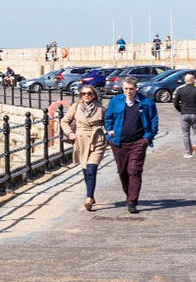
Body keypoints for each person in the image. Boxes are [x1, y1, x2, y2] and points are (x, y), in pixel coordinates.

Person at [103, 77, 158, 214]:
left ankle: (132, 201)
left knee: (134, 171)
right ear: (123, 88)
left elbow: (153, 122)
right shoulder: (116, 101)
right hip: (119, 142)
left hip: (138, 142)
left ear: (136, 88)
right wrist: (109, 132)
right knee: (122, 171)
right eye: (126, 89)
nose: (128, 92)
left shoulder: (146, 103)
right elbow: (108, 117)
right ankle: (129, 194)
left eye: (131, 89)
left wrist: (146, 139)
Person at [61, 84, 107, 211]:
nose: (87, 95)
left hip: (97, 140)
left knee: (92, 168)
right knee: (86, 170)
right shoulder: (76, 107)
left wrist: (111, 135)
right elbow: (64, 121)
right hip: (81, 141)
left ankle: (88, 198)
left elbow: (109, 123)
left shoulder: (101, 108)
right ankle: (91, 195)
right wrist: (70, 133)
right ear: (80, 95)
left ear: (94, 95)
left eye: (89, 93)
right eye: (84, 93)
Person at [173, 73, 196, 158]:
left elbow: (175, 103)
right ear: (193, 80)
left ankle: (188, 152)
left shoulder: (180, 90)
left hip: (184, 114)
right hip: (195, 113)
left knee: (185, 133)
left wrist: (180, 110)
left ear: (185, 81)